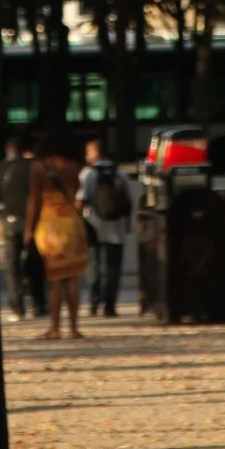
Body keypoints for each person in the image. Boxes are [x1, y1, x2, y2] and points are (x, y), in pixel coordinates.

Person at [27, 141, 88, 340]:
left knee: (55, 279)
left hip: (50, 224)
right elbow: (76, 188)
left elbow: (34, 200)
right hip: (71, 223)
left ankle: (54, 328)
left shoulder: (39, 167)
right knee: (72, 276)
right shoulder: (72, 166)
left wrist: (29, 229)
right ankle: (73, 328)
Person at [77, 136, 136, 318]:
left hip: (93, 225)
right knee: (113, 268)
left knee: (94, 266)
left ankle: (94, 303)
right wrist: (127, 225)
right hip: (116, 227)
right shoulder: (120, 173)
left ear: (95, 153)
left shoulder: (87, 174)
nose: (86, 156)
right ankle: (110, 306)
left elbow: (80, 201)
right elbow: (129, 201)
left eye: (88, 152)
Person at [0, 135, 33, 318]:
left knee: (11, 266)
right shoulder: (31, 168)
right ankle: (38, 302)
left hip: (10, 221)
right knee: (33, 263)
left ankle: (17, 307)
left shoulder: (2, 169)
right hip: (30, 221)